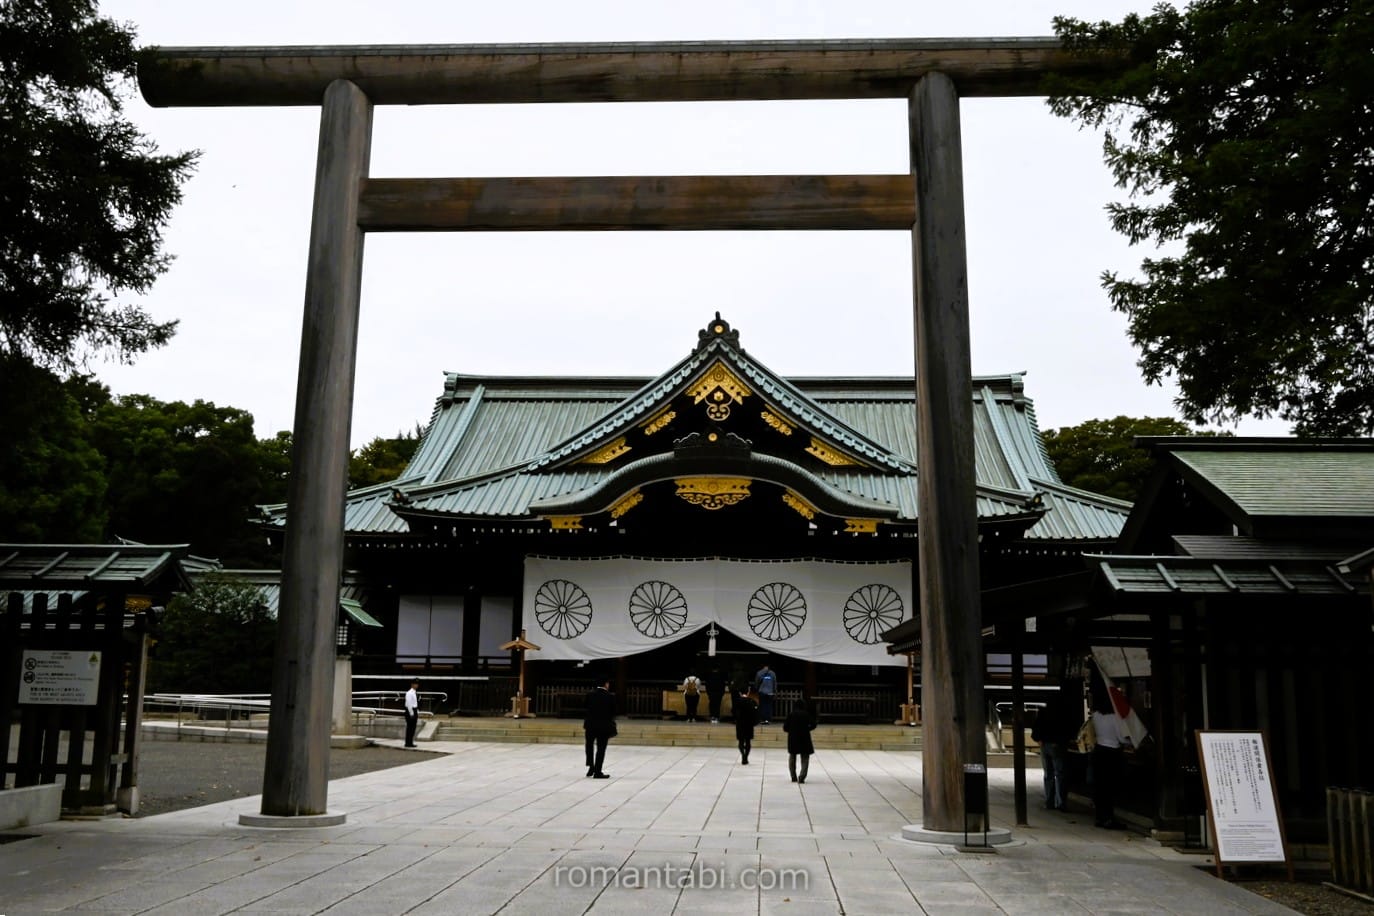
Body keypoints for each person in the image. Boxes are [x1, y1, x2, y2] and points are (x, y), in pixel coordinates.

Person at [1031, 679, 1082, 811]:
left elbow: (1035, 729)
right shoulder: (1064, 713)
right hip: (1058, 745)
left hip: (1044, 744)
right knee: (1060, 773)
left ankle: (1049, 801)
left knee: (1048, 774)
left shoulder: (1043, 712)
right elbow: (1070, 729)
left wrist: (1039, 740)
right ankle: (1061, 802)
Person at [1089, 680, 1125, 829]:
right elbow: (1121, 737)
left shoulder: (1096, 715)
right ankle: (1109, 818)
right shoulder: (1115, 717)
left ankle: (1100, 817)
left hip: (1099, 751)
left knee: (1100, 786)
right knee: (1109, 787)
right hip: (1112, 752)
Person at [583, 677, 617, 779]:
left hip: (590, 725)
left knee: (589, 745)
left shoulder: (590, 695)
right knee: (601, 748)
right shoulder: (610, 696)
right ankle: (598, 771)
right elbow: (614, 712)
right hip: (604, 726)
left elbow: (586, 707)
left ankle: (591, 765)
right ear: (606, 684)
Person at [784, 698, 817, 784]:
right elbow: (814, 724)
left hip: (793, 738)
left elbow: (785, 727)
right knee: (805, 757)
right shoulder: (806, 714)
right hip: (804, 737)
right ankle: (802, 776)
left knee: (792, 757)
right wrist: (807, 729)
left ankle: (793, 776)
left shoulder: (791, 714)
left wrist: (791, 731)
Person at [733, 685, 757, 765]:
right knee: (748, 741)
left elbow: (733, 712)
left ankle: (742, 754)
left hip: (740, 723)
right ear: (748, 692)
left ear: (740, 693)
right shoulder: (751, 702)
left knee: (741, 741)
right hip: (749, 724)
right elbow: (755, 713)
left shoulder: (737, 701)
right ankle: (746, 757)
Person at [403, 678, 420, 747]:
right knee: (410, 727)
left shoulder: (414, 692)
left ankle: (410, 742)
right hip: (410, 711)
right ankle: (408, 743)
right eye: (415, 684)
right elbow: (409, 704)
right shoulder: (409, 693)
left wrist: (416, 711)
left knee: (413, 728)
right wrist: (411, 713)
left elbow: (415, 703)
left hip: (414, 710)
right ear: (412, 684)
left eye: (417, 684)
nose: (417, 685)